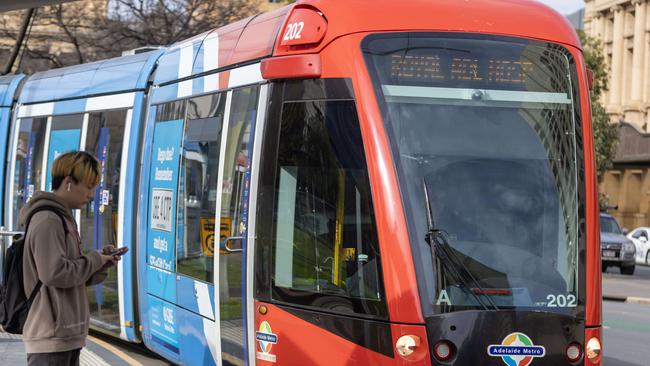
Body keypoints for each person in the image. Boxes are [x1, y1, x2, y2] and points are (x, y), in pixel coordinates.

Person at [19, 151, 126, 366]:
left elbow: (74, 275)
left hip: (64, 336)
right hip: (51, 337)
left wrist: (101, 263)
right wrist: (94, 259)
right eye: (88, 186)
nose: (92, 194)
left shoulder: (63, 218)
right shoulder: (49, 220)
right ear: (68, 182)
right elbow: (54, 273)